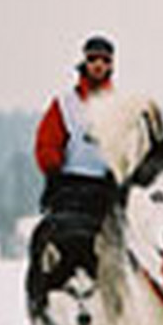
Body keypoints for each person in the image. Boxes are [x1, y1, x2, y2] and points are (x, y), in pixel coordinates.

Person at [34, 35, 118, 220]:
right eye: (92, 59)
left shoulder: (119, 105)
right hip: (69, 184)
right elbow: (47, 142)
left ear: (111, 66)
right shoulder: (65, 103)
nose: (98, 65)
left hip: (106, 186)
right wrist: (53, 171)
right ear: (84, 62)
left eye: (105, 60)